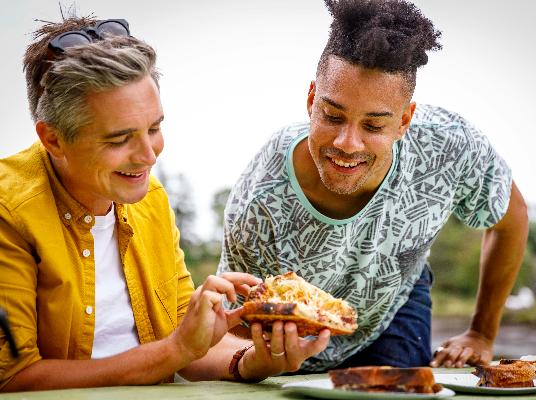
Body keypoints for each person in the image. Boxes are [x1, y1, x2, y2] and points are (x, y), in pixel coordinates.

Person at [0, 16, 329, 392]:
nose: (148, 155)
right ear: (53, 139)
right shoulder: (9, 209)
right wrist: (174, 351)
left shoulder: (150, 200)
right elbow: (12, 377)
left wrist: (251, 359)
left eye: (154, 128)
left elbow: (185, 343)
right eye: (120, 139)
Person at [217, 0, 528, 372]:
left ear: (404, 120)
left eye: (373, 126)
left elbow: (510, 219)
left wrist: (481, 333)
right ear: (312, 99)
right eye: (333, 116)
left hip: (394, 299)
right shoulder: (260, 200)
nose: (348, 143)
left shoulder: (450, 145)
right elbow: (233, 332)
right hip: (291, 338)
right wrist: (256, 365)